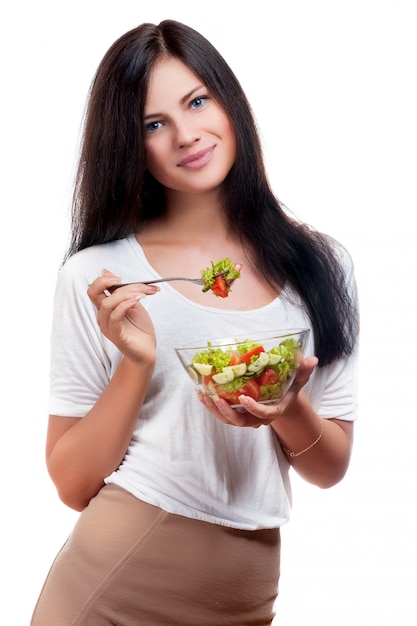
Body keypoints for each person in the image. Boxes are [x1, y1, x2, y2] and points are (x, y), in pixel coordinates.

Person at [31, 19, 359, 626]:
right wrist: (137, 364)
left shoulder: (322, 264)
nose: (186, 135)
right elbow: (74, 486)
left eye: (197, 101)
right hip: (113, 584)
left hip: (248, 597)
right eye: (153, 124)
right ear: (131, 146)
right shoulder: (100, 277)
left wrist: (286, 406)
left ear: (227, 100)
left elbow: (330, 468)